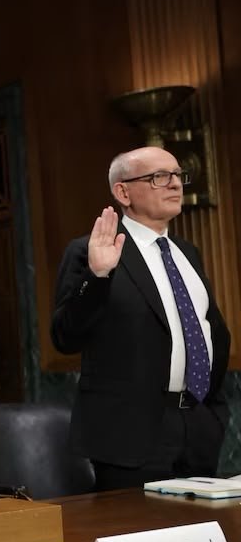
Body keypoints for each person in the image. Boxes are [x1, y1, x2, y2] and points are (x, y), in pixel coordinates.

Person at [52, 147, 231, 490]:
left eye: (178, 175)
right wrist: (98, 276)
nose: (175, 184)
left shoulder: (187, 252)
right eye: (158, 177)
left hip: (197, 427)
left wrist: (213, 412)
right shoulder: (89, 251)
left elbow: (210, 332)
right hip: (129, 436)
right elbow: (65, 337)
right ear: (123, 192)